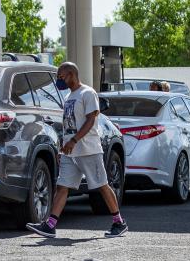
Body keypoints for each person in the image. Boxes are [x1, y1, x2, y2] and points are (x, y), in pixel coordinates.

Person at [26, 62, 128, 239]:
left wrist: (74, 140)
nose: (59, 80)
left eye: (61, 76)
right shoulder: (69, 97)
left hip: (89, 150)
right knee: (62, 186)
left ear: (72, 74)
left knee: (102, 185)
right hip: (70, 152)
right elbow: (68, 125)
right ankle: (50, 226)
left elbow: (90, 120)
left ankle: (119, 222)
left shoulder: (87, 93)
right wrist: (62, 148)